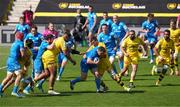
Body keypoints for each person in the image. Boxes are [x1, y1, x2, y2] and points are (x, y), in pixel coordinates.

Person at [33, 29, 76, 95]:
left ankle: (33, 81)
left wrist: (76, 52)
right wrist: (72, 61)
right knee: (53, 73)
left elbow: (65, 50)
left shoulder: (59, 39)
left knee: (47, 74)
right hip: (50, 57)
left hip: (45, 56)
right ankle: (51, 89)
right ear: (66, 36)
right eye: (69, 38)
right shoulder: (63, 41)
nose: (69, 40)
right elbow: (65, 53)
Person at [0, 32, 25, 98]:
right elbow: (22, 54)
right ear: (22, 37)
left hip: (9, 60)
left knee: (9, 77)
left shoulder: (14, 43)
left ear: (16, 37)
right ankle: (14, 91)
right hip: (14, 61)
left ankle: (0, 90)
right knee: (20, 74)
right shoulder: (21, 43)